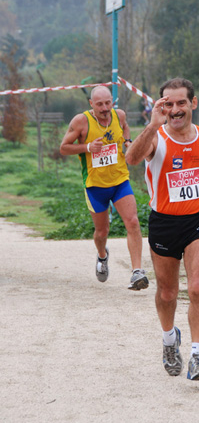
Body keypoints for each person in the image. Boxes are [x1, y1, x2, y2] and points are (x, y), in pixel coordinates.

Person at [125, 77, 199, 380]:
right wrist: (153, 125)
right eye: (169, 104)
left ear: (193, 103)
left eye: (181, 103)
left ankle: (198, 356)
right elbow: (131, 159)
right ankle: (169, 340)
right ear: (162, 106)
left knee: (198, 286)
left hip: (198, 220)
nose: (176, 109)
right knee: (168, 292)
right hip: (165, 223)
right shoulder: (157, 138)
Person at [60, 85, 149, 291]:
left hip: (120, 181)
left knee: (133, 221)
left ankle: (137, 272)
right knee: (102, 232)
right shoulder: (81, 121)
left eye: (107, 103)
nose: (104, 108)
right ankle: (102, 256)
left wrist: (127, 141)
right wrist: (87, 147)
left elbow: (125, 127)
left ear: (112, 102)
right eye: (99, 104)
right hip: (95, 186)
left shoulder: (119, 116)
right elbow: (64, 147)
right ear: (91, 104)